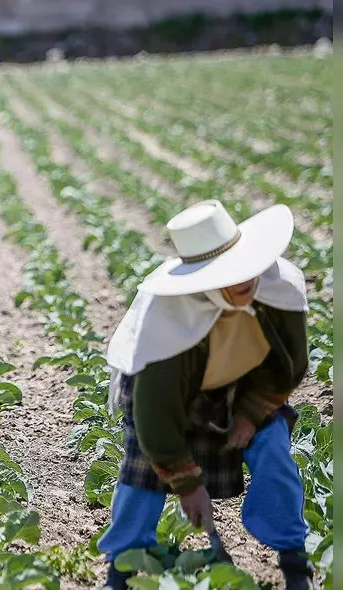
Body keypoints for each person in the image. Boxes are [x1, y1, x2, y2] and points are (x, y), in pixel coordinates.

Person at [99, 200, 316, 589]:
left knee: (274, 451)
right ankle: (122, 567)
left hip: (246, 387)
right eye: (226, 274)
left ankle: (295, 561)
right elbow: (156, 418)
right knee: (143, 478)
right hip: (170, 400)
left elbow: (290, 365)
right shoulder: (166, 326)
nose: (243, 279)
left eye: (244, 266)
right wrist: (187, 484)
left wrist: (250, 414)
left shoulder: (278, 291)